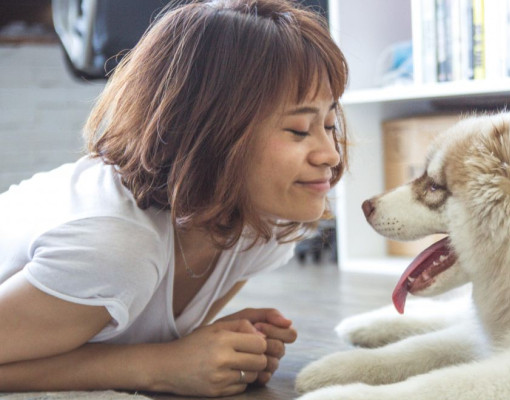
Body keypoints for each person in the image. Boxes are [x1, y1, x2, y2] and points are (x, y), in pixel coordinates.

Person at [0, 0, 348, 397]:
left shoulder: (260, 226)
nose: (331, 154)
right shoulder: (115, 247)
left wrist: (217, 347)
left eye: (330, 124)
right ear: (209, 133)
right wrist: (157, 366)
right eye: (300, 130)